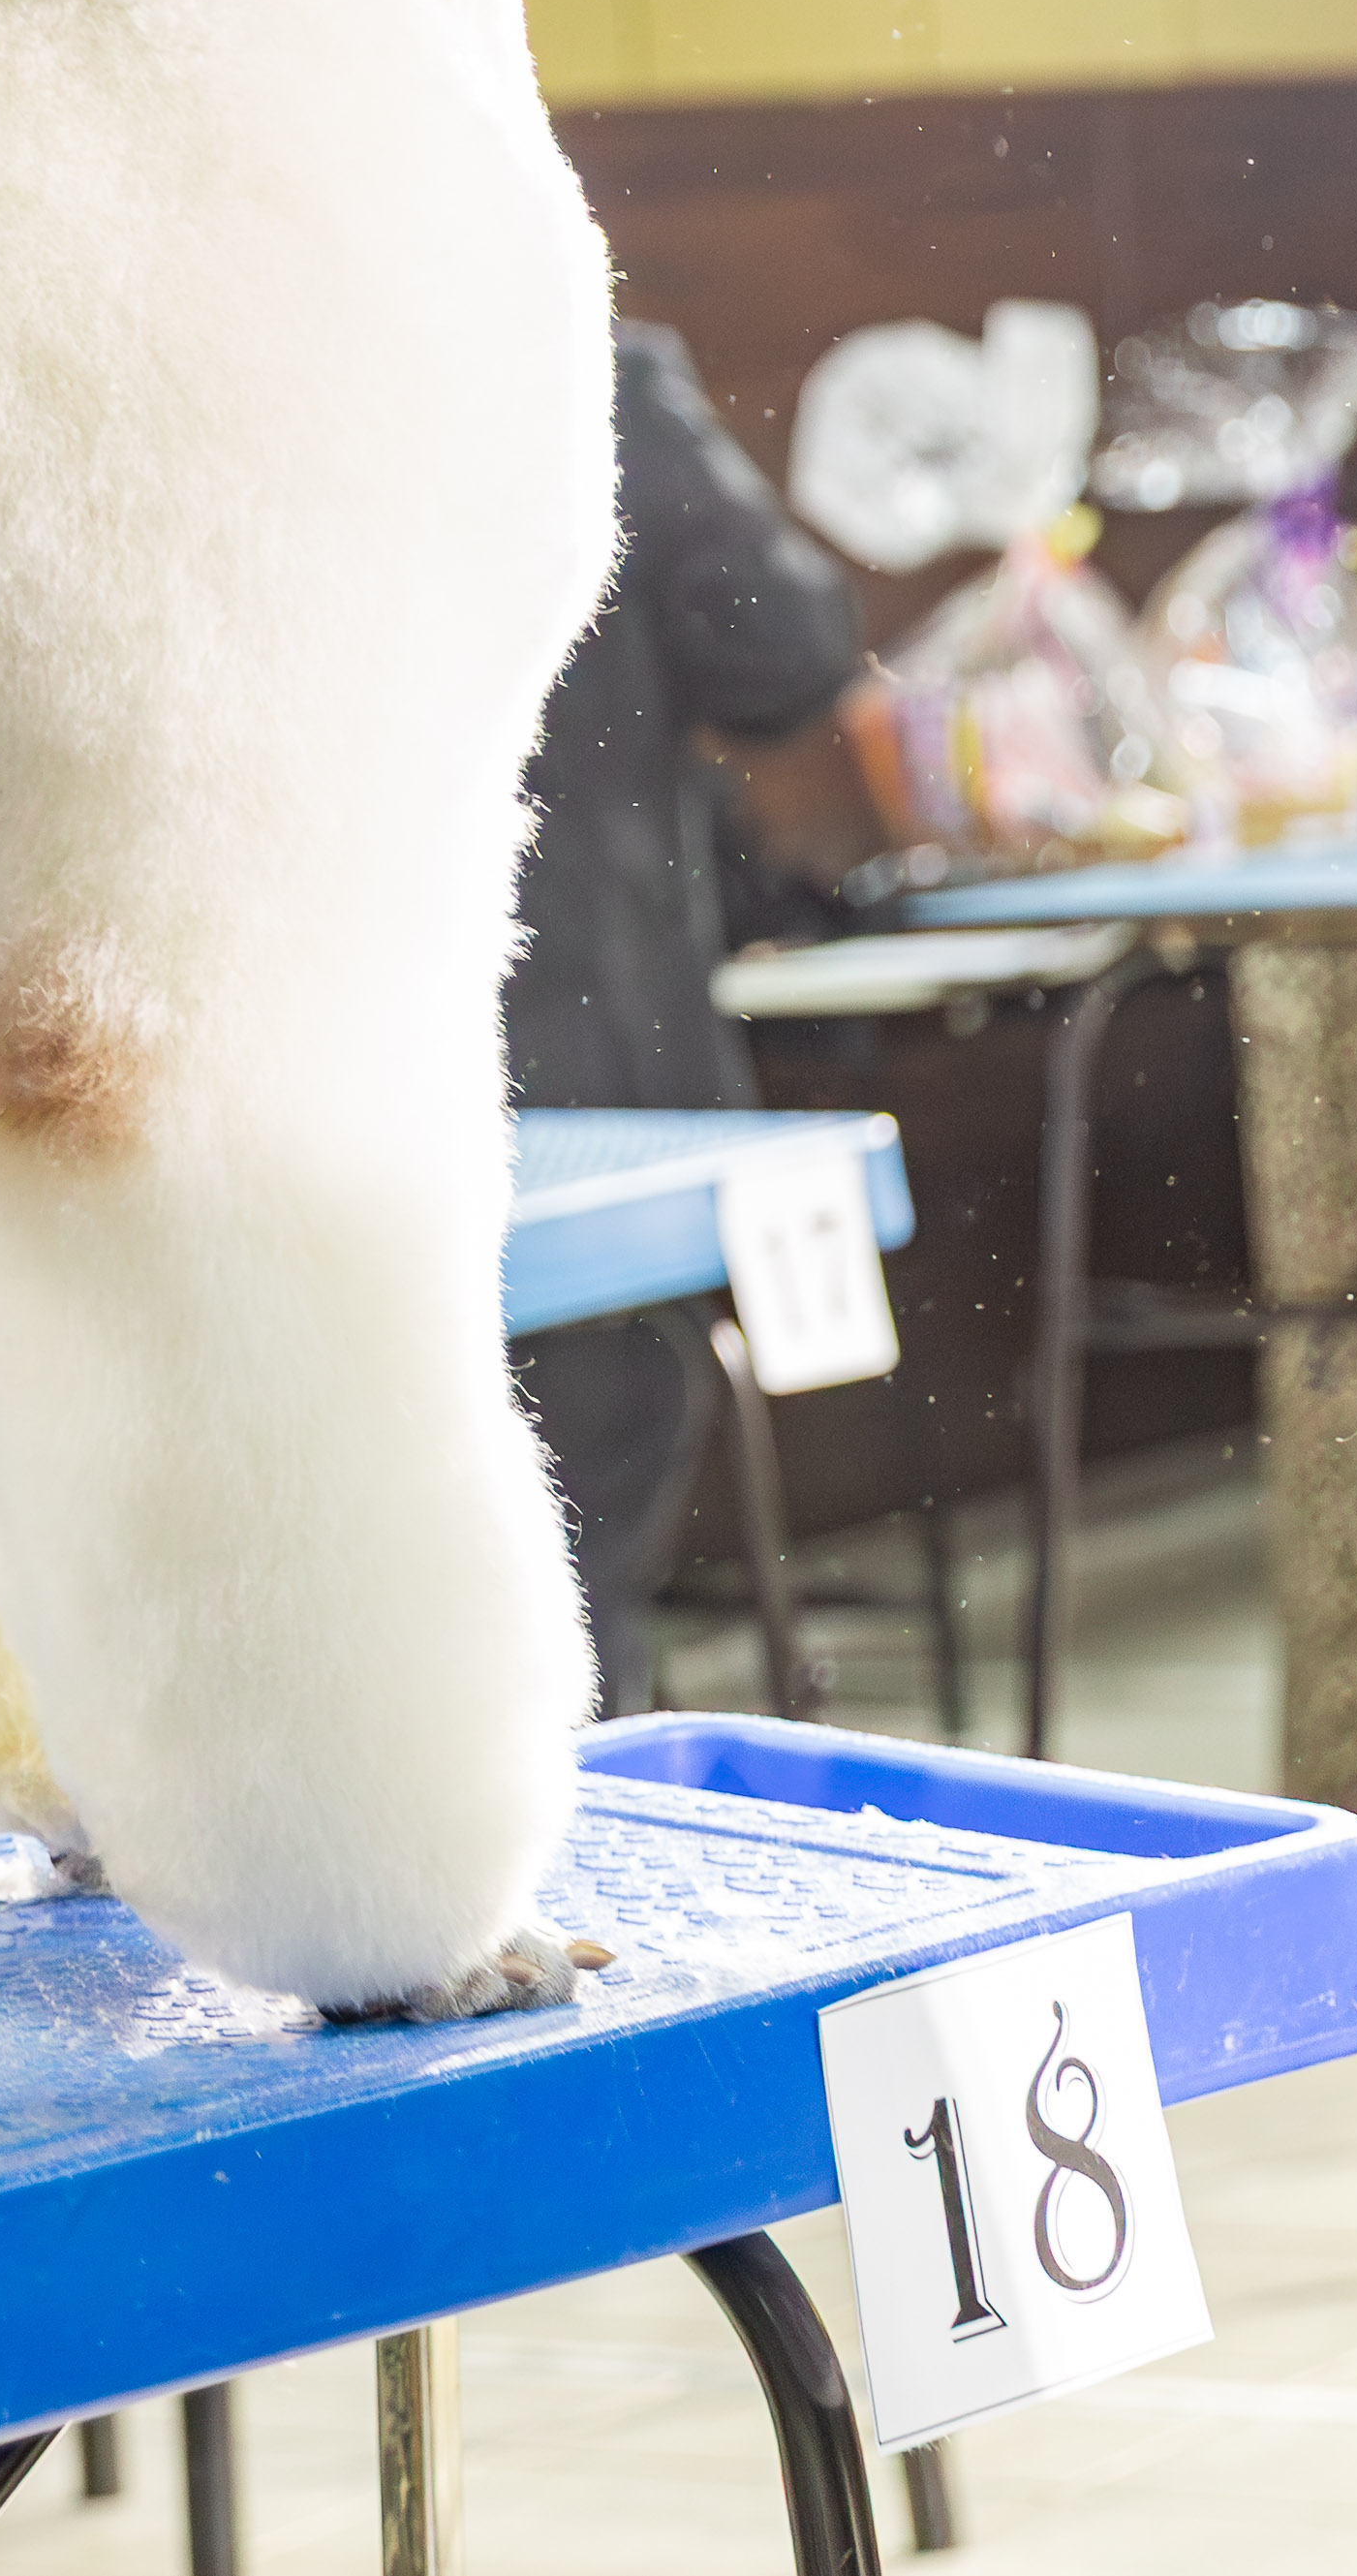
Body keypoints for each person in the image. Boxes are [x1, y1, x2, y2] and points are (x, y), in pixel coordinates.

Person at [505, 319, 869, 1716]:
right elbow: (784, 647)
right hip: (579, 1073)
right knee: (572, 1516)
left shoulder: (221, 357)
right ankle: (560, 1824)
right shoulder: (565, 360)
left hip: (293, 1093)